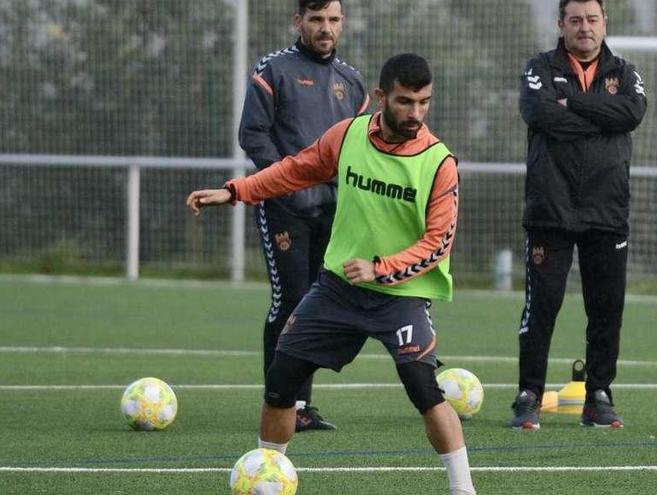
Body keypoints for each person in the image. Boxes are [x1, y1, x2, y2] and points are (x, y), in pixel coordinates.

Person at [188, 53, 476, 495]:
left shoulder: (439, 163)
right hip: (338, 289)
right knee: (282, 378)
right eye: (405, 102)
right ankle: (268, 477)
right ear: (381, 97)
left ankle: (463, 490)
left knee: (423, 388)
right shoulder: (348, 135)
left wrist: (381, 269)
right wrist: (235, 192)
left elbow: (438, 244)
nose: (415, 113)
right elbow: (294, 170)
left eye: (424, 102)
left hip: (400, 295)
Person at [510, 0, 647, 430]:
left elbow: (632, 113)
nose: (584, 28)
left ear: (604, 23)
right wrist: (599, 117)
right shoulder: (538, 68)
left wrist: (573, 103)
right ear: (561, 24)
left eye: (592, 19)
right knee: (542, 308)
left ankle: (599, 396)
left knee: (606, 309)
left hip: (607, 211)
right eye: (575, 20)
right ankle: (528, 394)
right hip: (550, 209)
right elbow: (542, 114)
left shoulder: (625, 73)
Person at [238, 0, 369, 431]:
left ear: (342, 24)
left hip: (333, 215)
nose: (325, 28)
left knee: (315, 307)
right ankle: (279, 403)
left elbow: (363, 151)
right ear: (299, 23)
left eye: (332, 20)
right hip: (284, 211)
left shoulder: (351, 81)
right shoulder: (273, 70)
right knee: (290, 300)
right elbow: (252, 134)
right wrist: (284, 180)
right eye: (316, 20)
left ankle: (302, 407)